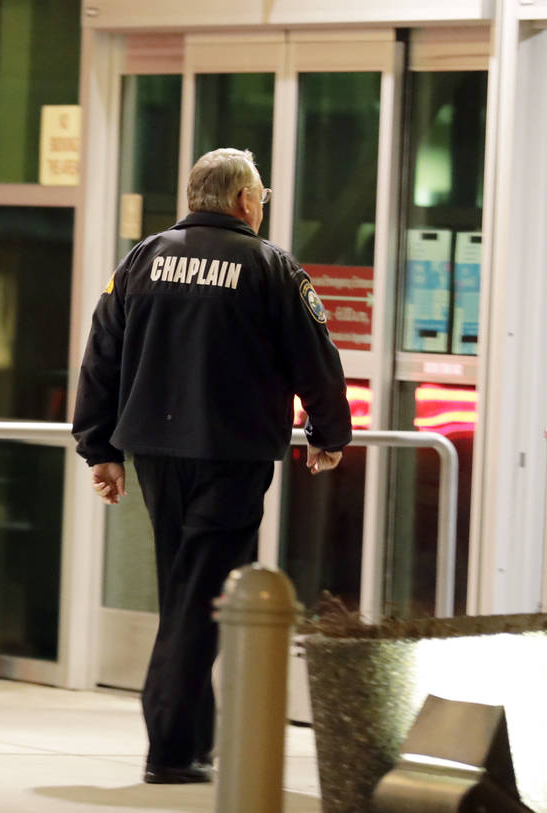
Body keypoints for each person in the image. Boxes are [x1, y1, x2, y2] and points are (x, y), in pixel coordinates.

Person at [72, 148, 352, 785]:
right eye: (262, 196)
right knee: (200, 599)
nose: (262, 205)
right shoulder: (269, 266)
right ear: (243, 202)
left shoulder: (144, 258)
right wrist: (328, 432)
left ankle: (193, 738)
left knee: (185, 587)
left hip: (157, 458)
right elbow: (316, 356)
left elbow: (101, 353)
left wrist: (101, 447)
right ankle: (170, 748)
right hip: (230, 456)